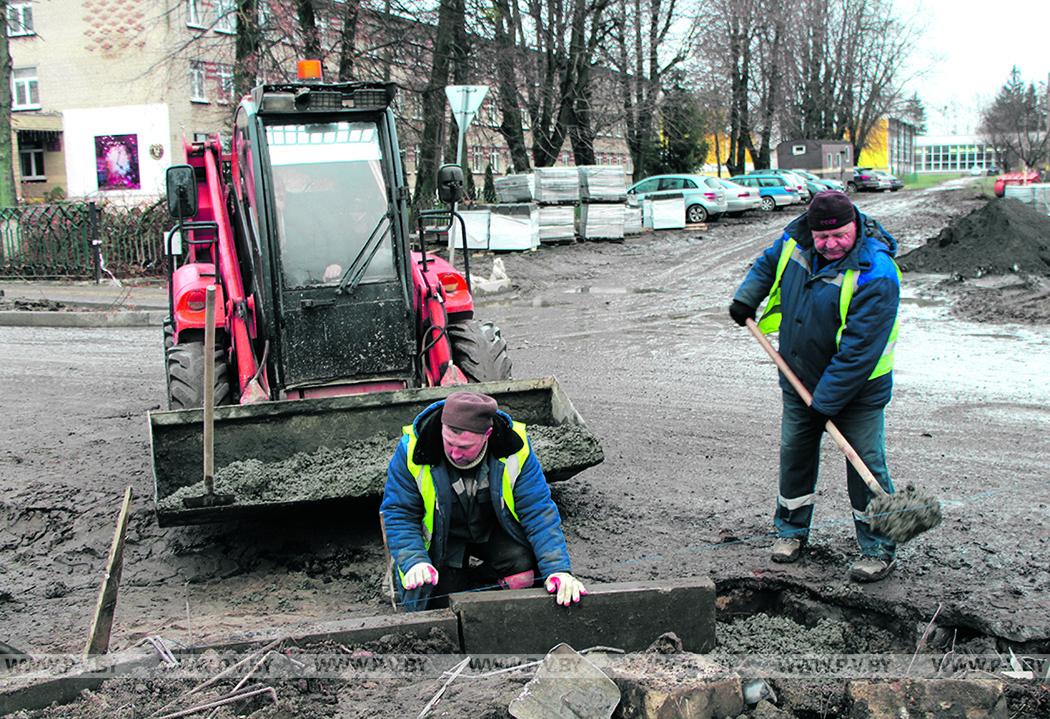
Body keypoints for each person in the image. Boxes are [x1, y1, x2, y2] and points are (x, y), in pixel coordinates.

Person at [729, 190, 901, 583]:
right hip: (799, 378)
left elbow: (858, 353)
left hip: (858, 392)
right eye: (823, 238)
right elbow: (766, 264)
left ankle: (878, 548)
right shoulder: (796, 241)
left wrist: (825, 402)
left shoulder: (876, 272)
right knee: (795, 455)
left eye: (839, 235)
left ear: (854, 224)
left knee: (864, 465)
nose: (830, 244)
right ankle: (790, 532)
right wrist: (746, 298)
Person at [381, 391, 586, 610]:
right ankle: (414, 576)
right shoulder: (413, 449)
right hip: (444, 537)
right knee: (438, 597)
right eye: (449, 443)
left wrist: (558, 570)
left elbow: (538, 511)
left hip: (492, 529)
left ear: (487, 434)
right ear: (442, 427)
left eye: (465, 447)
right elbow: (399, 514)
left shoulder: (515, 448)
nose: (455, 453)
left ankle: (480, 582)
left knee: (523, 574)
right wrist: (414, 561)